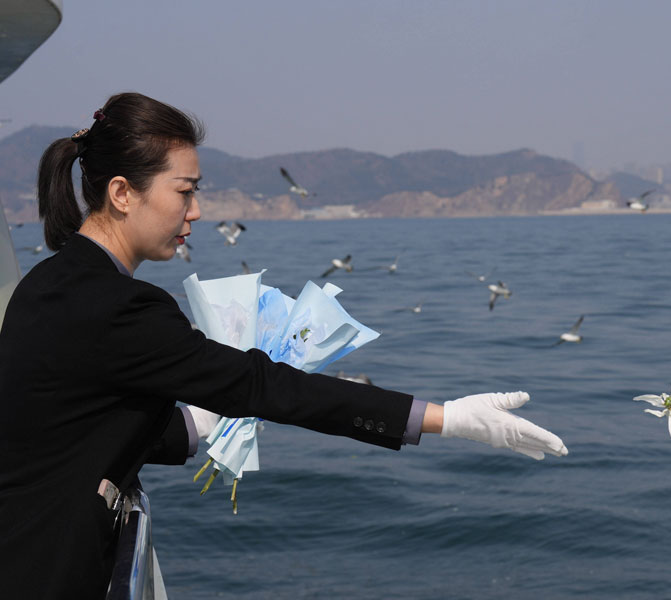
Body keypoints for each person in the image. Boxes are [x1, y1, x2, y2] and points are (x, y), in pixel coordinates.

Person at [0, 92, 567, 599]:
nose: (195, 211)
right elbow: (262, 385)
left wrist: (193, 427)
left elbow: (74, 423)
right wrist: (447, 418)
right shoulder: (121, 306)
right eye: (185, 191)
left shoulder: (45, 286)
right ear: (123, 193)